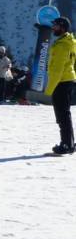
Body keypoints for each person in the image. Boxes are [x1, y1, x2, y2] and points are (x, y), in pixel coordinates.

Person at [46, 16, 75, 155]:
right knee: (65, 113)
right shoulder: (68, 42)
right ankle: (69, 143)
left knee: (62, 114)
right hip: (67, 80)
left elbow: (57, 70)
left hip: (61, 81)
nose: (53, 28)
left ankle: (66, 144)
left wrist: (49, 90)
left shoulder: (62, 45)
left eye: (56, 26)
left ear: (63, 27)